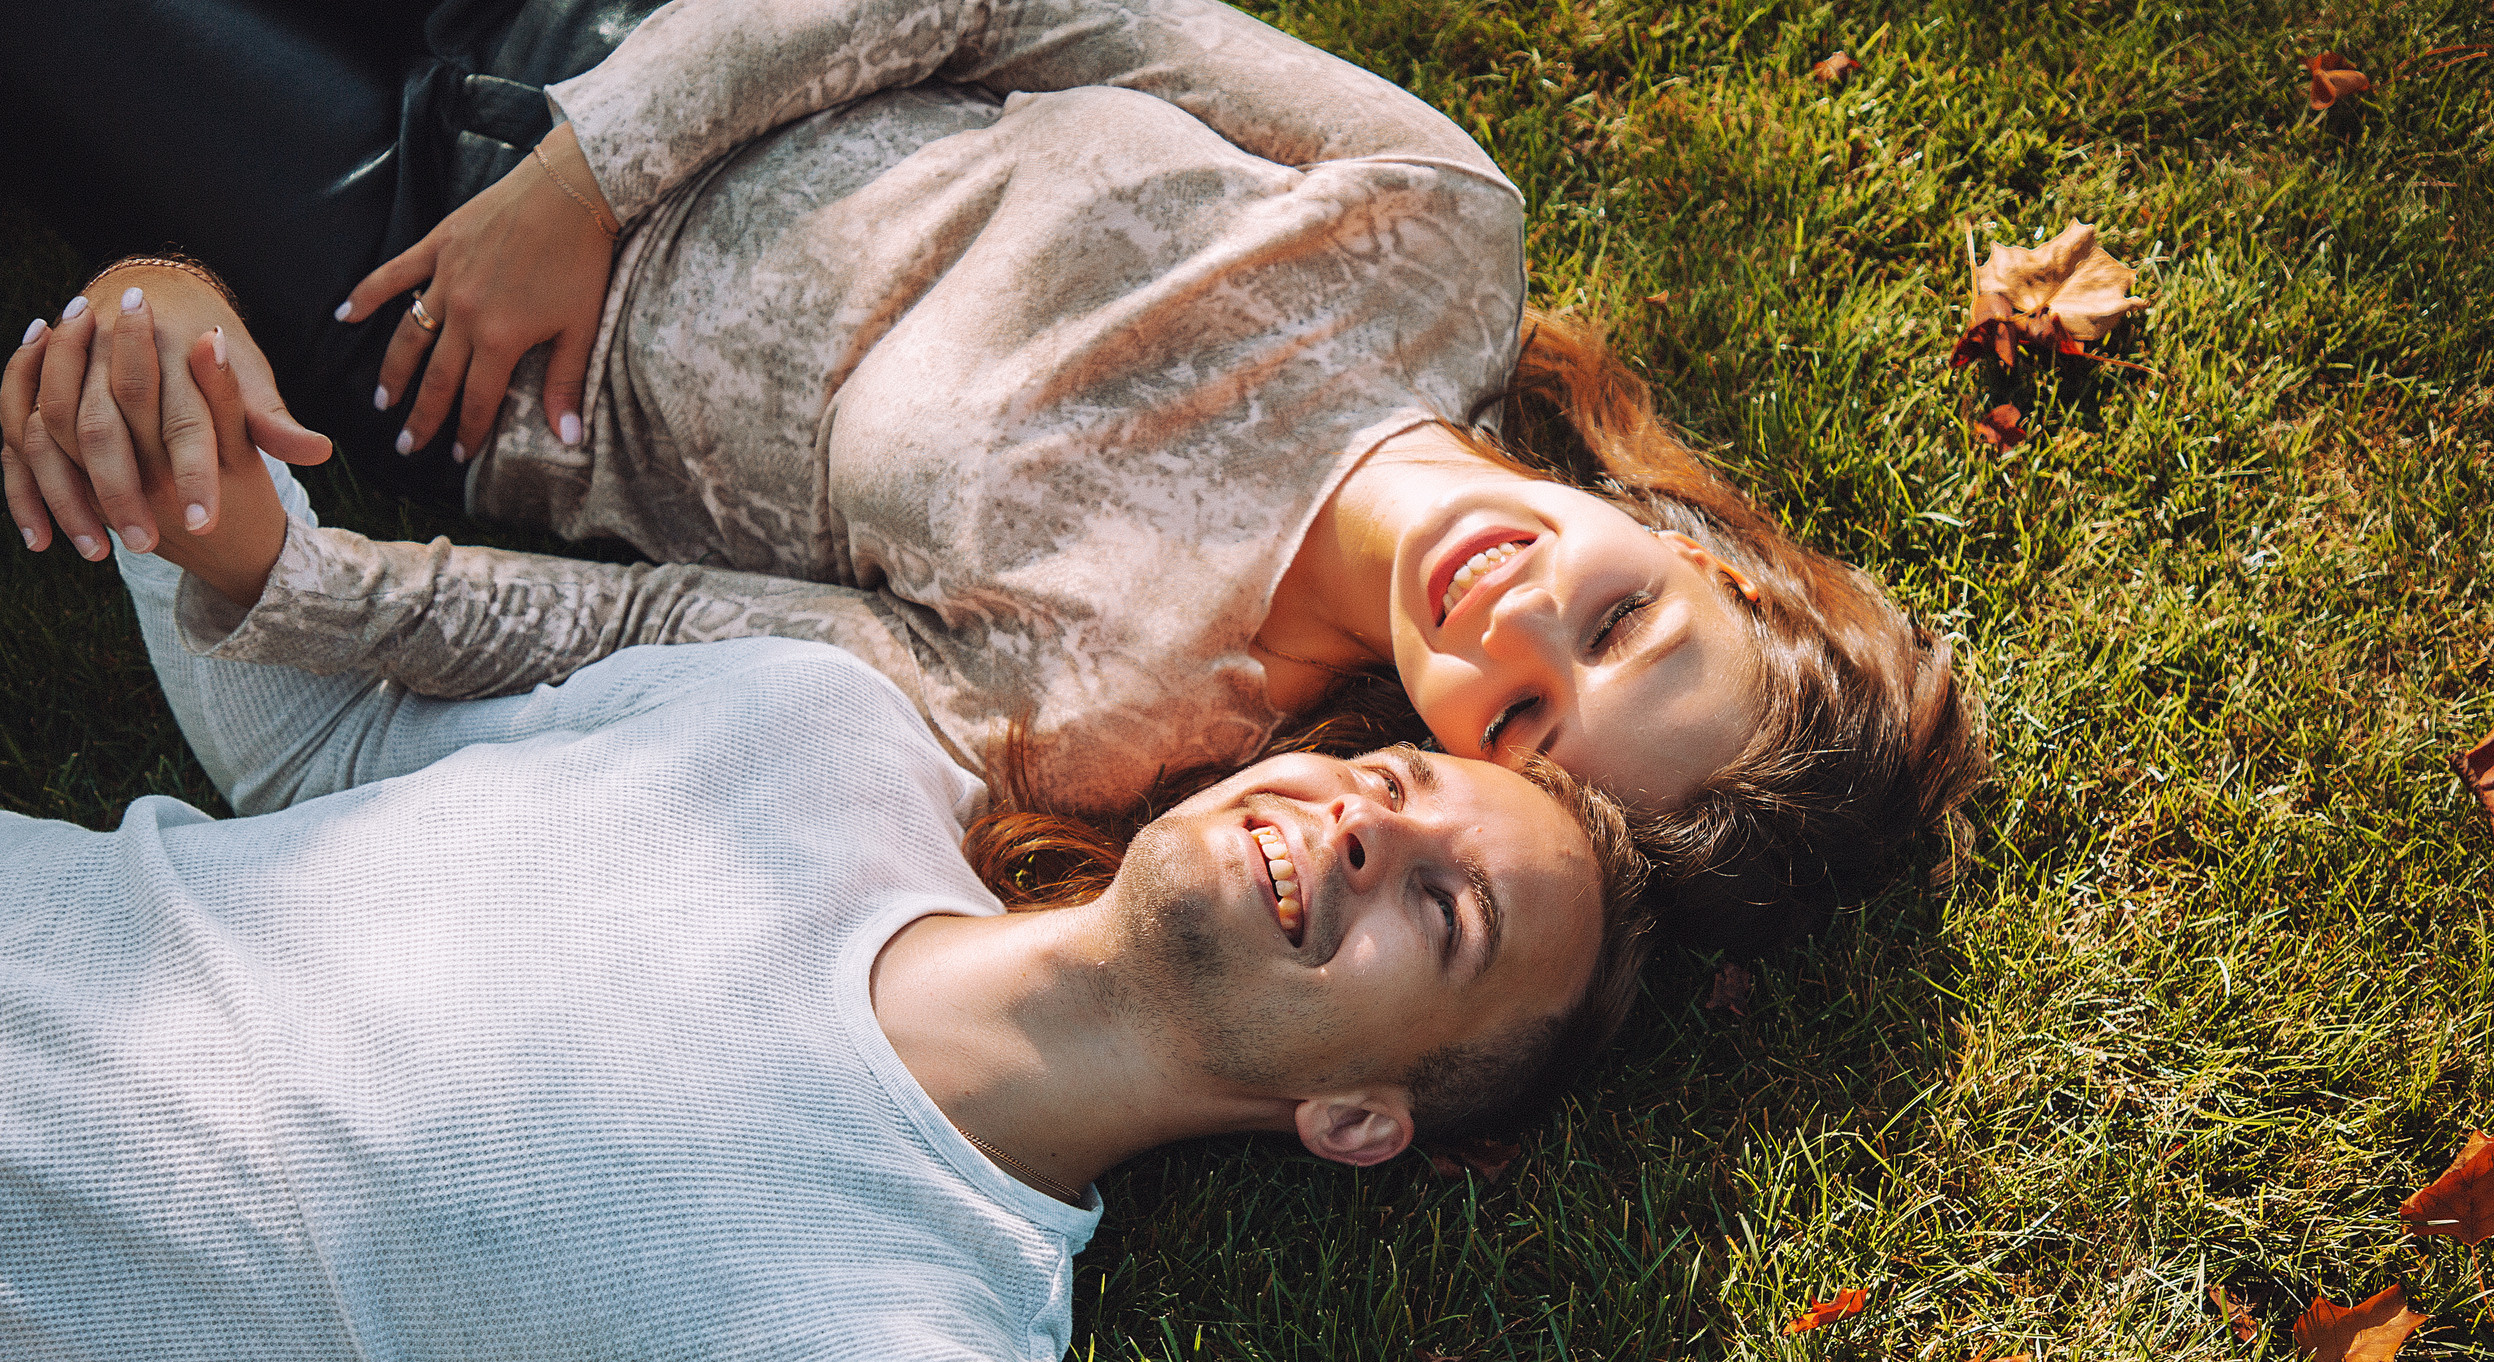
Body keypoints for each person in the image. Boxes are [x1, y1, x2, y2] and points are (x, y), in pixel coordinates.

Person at [0, 340, 1651, 1362]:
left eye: (1447, 913)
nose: (1369, 832)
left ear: (1361, 1116)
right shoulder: (818, 727)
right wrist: (168, 413)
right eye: (1390, 776)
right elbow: (329, 766)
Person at [0, 0, 1982, 948]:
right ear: (1674, 532)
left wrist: (288, 573)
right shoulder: (1436, 231)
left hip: (423, 303)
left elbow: (663, 624)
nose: (1517, 614)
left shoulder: (1112, 727)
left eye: (1530, 719)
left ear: (1476, 770)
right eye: (1620, 608)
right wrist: (589, 171)